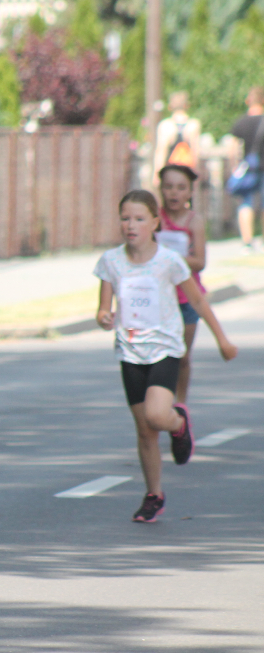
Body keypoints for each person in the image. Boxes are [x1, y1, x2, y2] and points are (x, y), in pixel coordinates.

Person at [94, 190, 237, 523]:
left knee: (158, 417)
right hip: (130, 352)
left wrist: (222, 341)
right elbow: (103, 308)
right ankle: (153, 494)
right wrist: (103, 317)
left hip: (165, 349)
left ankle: (178, 423)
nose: (131, 225)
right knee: (144, 431)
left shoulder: (169, 261)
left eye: (140, 219)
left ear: (155, 223)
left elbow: (198, 301)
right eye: (125, 219)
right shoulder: (110, 262)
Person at [157, 164, 206, 404]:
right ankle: (160, 400)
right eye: (168, 187)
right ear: (160, 189)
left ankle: (181, 404)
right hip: (159, 297)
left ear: (189, 192)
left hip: (186, 298)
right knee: (159, 355)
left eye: (180, 188)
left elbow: (200, 261)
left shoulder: (194, 221)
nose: (174, 193)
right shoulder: (154, 219)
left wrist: (173, 258)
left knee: (183, 356)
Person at [228, 86, 264, 252]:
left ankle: (247, 241)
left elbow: (233, 148)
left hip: (248, 167)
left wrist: (234, 166)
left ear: (248, 101)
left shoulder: (241, 122)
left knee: (246, 203)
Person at [153, 91, 201, 181]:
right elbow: (196, 152)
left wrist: (157, 175)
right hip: (187, 171)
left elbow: (161, 151)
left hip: (170, 171)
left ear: (170, 107)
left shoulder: (165, 125)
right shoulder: (193, 124)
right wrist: (196, 173)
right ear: (187, 106)